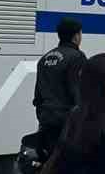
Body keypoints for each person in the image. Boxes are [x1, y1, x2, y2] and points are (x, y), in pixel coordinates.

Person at [32, 18, 86, 155]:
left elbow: (38, 95)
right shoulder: (77, 57)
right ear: (76, 36)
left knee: (51, 160)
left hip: (46, 119)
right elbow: (78, 92)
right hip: (66, 121)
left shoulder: (44, 58)